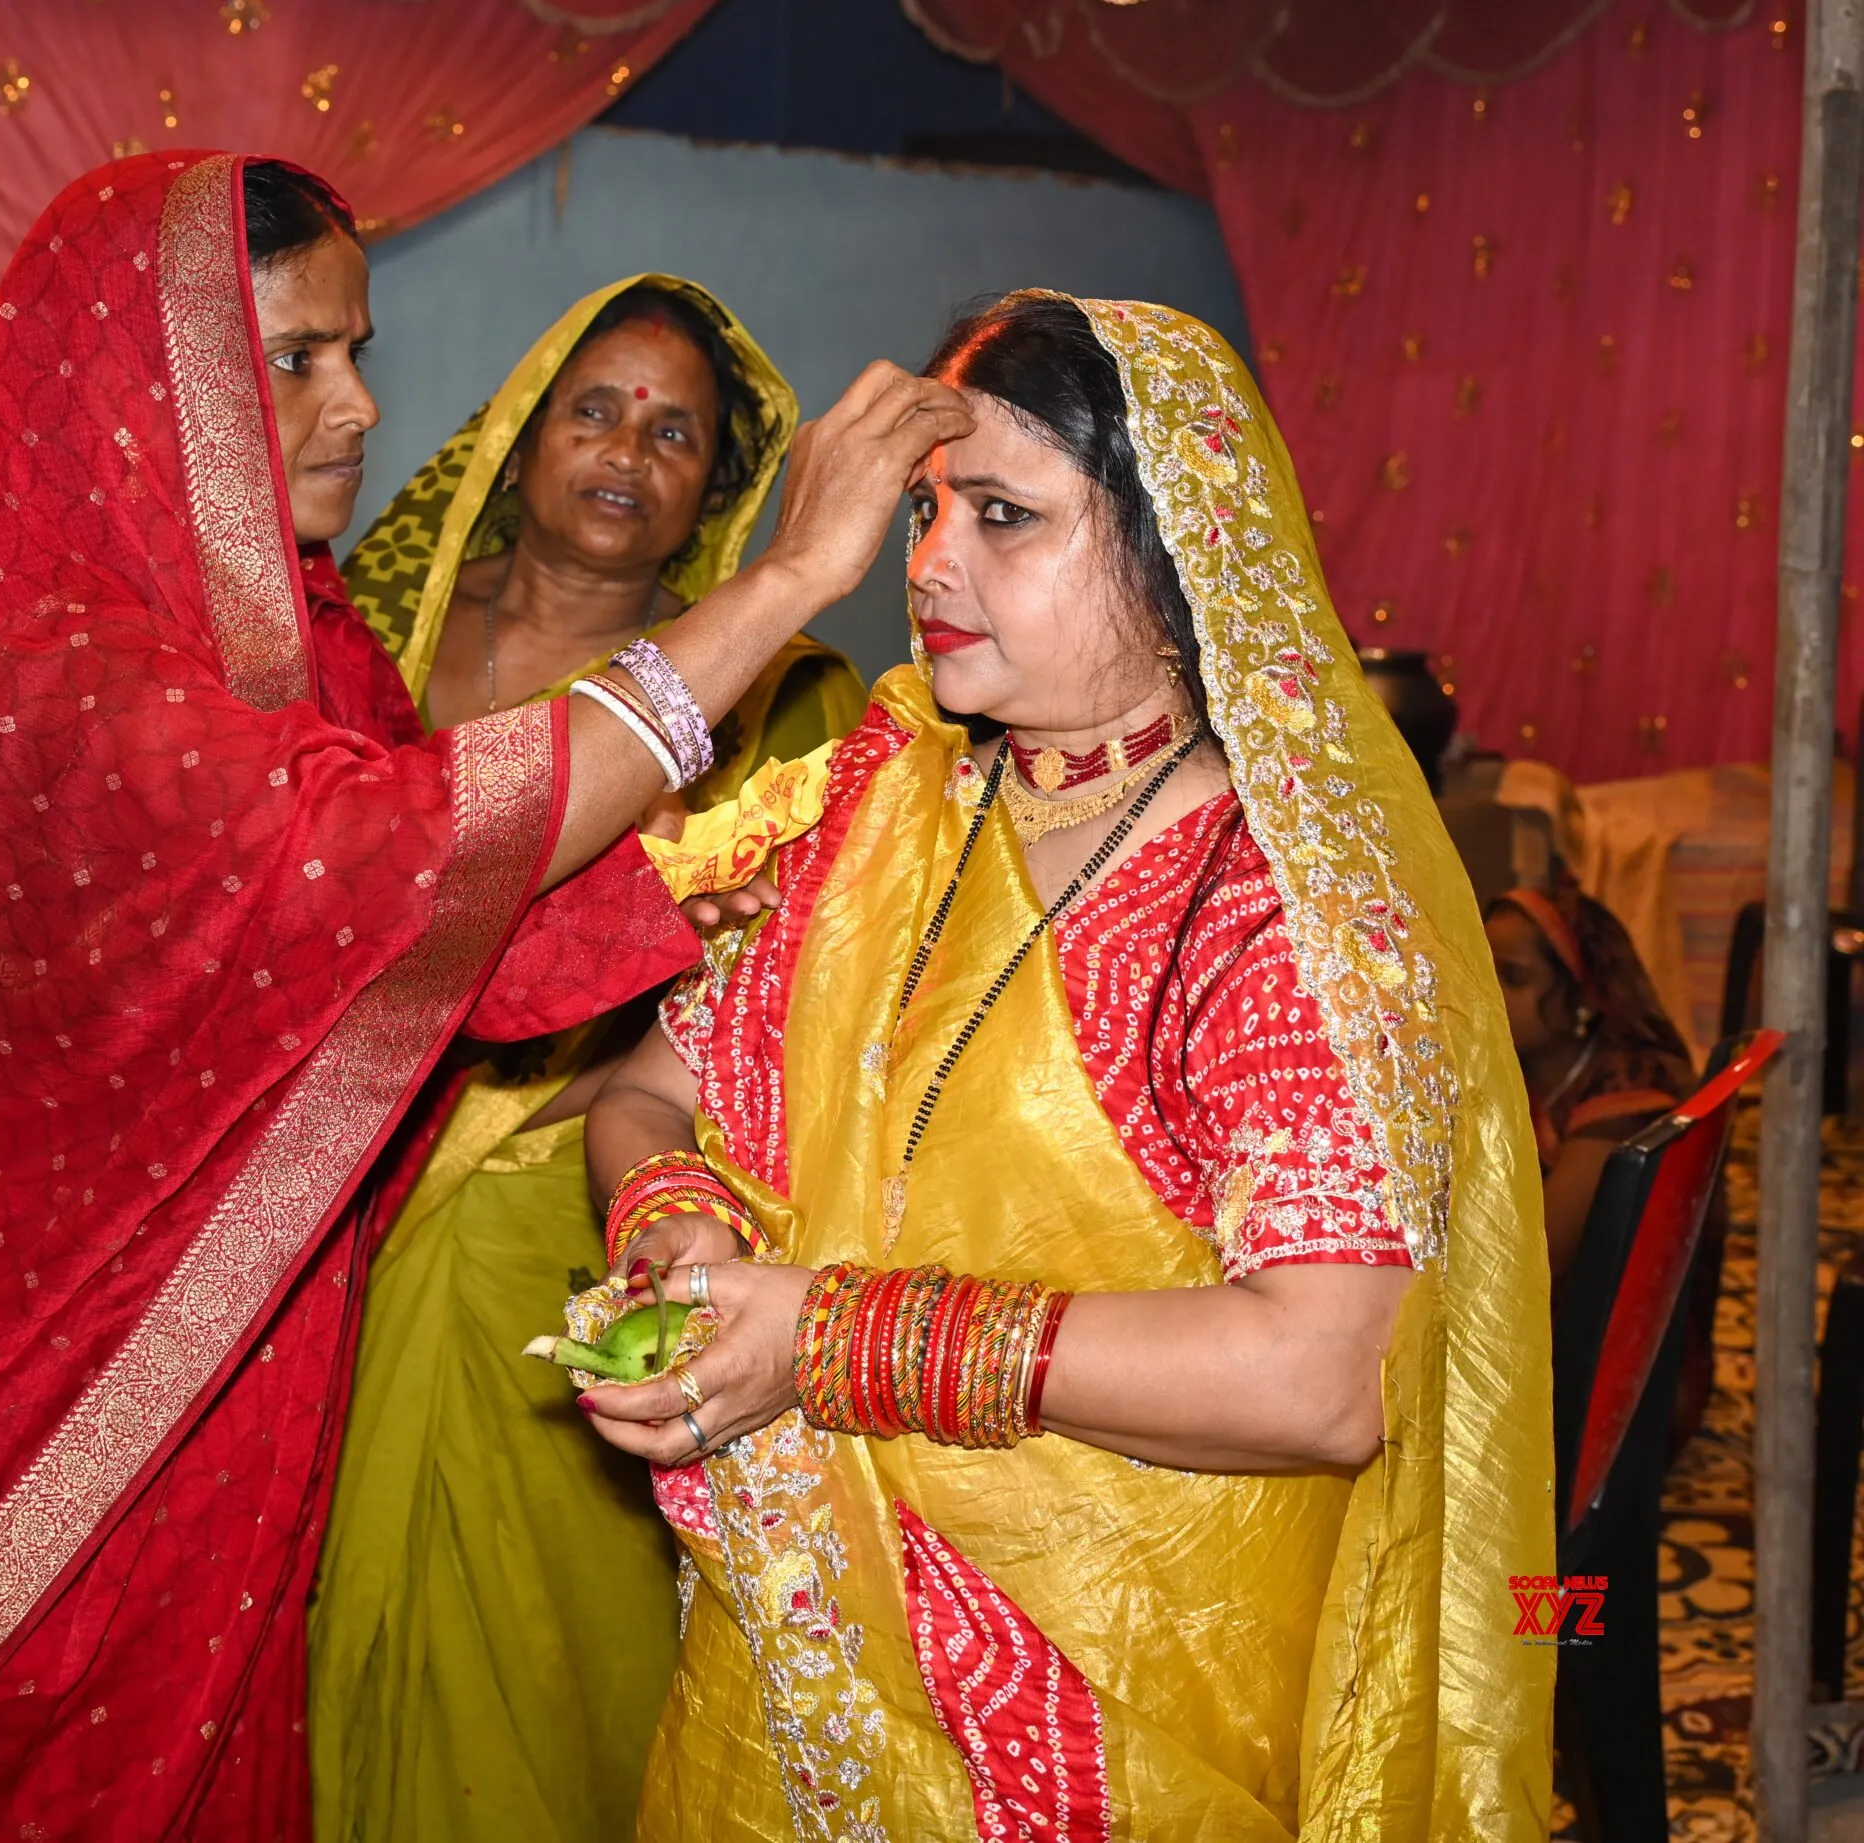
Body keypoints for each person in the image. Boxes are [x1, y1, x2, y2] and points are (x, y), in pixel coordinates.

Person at [0, 152, 968, 1842]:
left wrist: (697, 888)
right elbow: (394, 852)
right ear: (160, 391)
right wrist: (783, 586)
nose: (359, 405)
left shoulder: (307, 643)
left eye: (360, 348)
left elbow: (436, 941)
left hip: (235, 1340)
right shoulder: (84, 671)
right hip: (58, 1376)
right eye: (297, 360)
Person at [579, 293, 1555, 1838]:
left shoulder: (1275, 904)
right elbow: (641, 1089)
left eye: (1005, 515)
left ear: (1179, 559)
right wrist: (676, 1226)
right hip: (812, 1659)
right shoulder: (869, 800)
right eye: (922, 508)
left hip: (1124, 1705)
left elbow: (1325, 1374)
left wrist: (826, 1339)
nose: (929, 562)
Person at [312, 277, 865, 1843]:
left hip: (589, 1196)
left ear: (719, 490)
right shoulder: (377, 632)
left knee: (558, 1634)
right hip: (335, 1188)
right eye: (598, 407)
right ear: (523, 430)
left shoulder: (775, 695)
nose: (629, 448)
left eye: (676, 430)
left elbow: (800, 964)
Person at [1485, 879, 1697, 1279]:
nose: (1484, 990)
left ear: (1582, 997)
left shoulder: (1629, 1088)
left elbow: (1532, 1262)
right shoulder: (1525, 1070)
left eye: (1513, 977)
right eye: (1479, 968)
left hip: (1601, 1326)